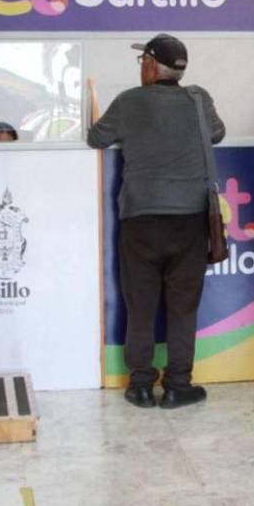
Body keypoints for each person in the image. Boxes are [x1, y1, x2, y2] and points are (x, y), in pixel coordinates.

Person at [86, 33, 226, 410]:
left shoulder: (129, 101)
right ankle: (178, 386)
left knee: (141, 305)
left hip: (141, 220)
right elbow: (217, 133)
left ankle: (141, 386)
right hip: (189, 221)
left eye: (142, 61)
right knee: (183, 307)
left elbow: (96, 138)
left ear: (150, 65)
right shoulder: (198, 99)